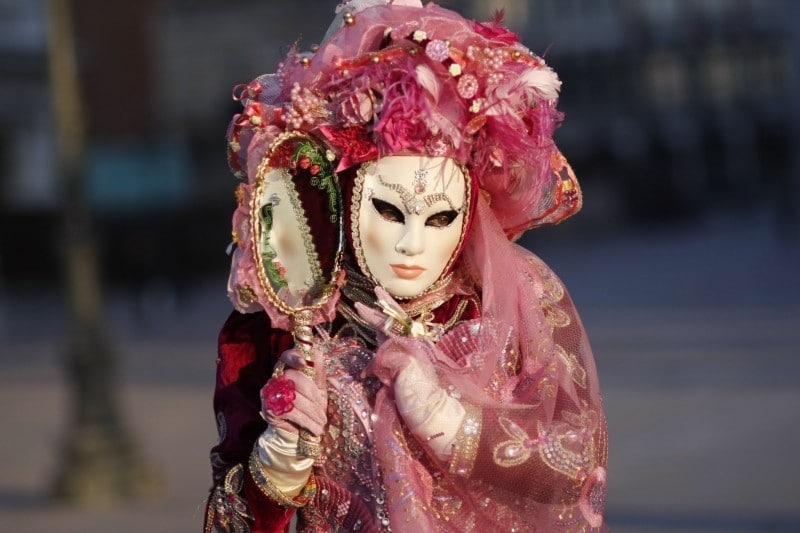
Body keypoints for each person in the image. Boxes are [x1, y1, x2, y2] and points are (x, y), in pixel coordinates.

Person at [204, 1, 608, 531]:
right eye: (390, 210)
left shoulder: (513, 304)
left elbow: (575, 467)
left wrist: (451, 422)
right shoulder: (279, 334)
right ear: (345, 194)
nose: (413, 244)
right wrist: (278, 467)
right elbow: (230, 521)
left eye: (440, 217)